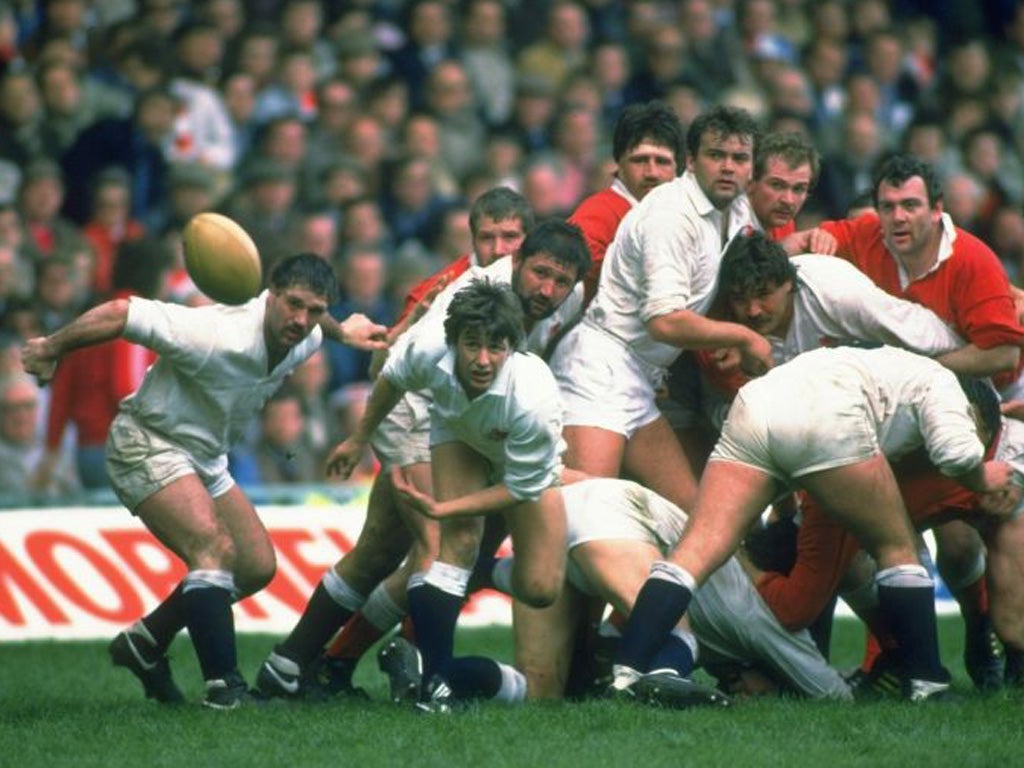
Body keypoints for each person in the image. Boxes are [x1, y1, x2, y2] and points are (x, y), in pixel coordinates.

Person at [20, 253, 388, 709]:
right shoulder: (218, 333)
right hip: (148, 442)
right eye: (293, 304)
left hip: (205, 456)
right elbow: (122, 312)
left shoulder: (308, 333)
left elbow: (318, 322)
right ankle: (224, 691)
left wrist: (341, 330)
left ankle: (146, 642)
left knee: (255, 566)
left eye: (313, 310)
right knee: (212, 549)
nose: (301, 319)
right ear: (269, 294)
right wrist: (50, 347)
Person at [255, 217, 588, 703]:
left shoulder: (561, 310)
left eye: (561, 281)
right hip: (418, 406)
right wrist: (359, 438)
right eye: (540, 273)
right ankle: (431, 679)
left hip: (472, 409)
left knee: (385, 551)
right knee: (442, 548)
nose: (548, 288)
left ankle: (297, 666)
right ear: (513, 262)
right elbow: (392, 372)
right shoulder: (455, 318)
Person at [609, 345, 1016, 703]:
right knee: (898, 548)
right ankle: (927, 684)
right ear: (975, 412)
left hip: (758, 402)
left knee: (694, 552)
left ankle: (627, 670)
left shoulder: (882, 367)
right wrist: (982, 475)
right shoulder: (945, 384)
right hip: (829, 415)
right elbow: (958, 453)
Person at [814, 154, 1024, 689]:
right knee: (868, 533)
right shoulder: (865, 240)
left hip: (985, 420)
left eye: (910, 205)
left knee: (969, 539)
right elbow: (811, 236)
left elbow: (1002, 356)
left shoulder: (972, 259)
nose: (897, 217)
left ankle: (993, 640)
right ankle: (891, 659)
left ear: (937, 210)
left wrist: (920, 372)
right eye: (887, 207)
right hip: (901, 428)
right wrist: (799, 243)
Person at [327, 276, 581, 712]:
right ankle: (436, 688)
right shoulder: (427, 349)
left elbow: (519, 488)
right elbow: (391, 378)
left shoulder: (533, 401)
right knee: (456, 542)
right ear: (453, 342)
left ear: (512, 348)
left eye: (496, 347)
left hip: (520, 470)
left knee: (540, 588)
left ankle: (481, 574)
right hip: (458, 433)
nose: (483, 360)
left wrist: (446, 507)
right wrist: (358, 439)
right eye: (472, 345)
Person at [388, 475, 852, 704]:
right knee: (675, 636)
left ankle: (439, 676)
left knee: (537, 692)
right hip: (604, 518)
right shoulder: (760, 623)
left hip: (576, 516)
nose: (751, 696)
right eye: (760, 691)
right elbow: (830, 695)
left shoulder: (737, 607)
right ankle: (647, 681)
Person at [550, 104, 768, 515]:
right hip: (597, 369)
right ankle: (503, 555)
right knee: (586, 510)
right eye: (715, 155)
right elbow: (664, 321)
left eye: (738, 158)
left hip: (643, 378)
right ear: (691, 161)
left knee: (691, 519)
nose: (727, 167)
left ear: (750, 168)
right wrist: (744, 337)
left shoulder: (737, 210)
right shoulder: (670, 212)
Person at [567, 100, 684, 306]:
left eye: (662, 161)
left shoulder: (683, 214)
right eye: (640, 160)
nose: (652, 173)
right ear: (618, 163)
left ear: (678, 168)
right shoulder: (598, 211)